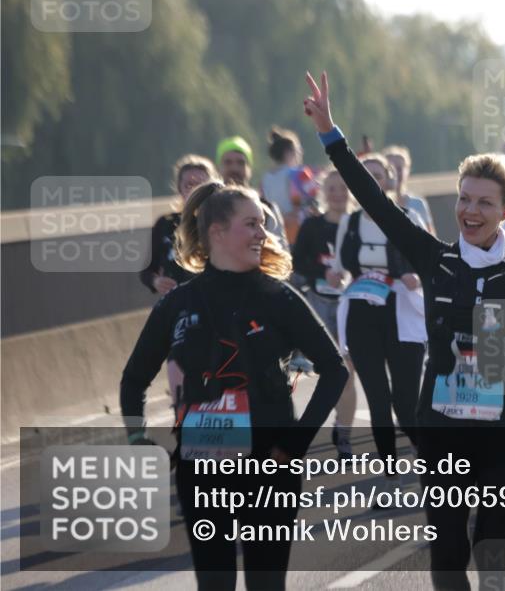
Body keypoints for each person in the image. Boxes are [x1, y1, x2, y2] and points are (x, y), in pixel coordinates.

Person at [304, 70, 505, 591]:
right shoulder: (434, 256)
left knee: (492, 557)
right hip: (443, 425)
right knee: (448, 554)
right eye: (465, 199)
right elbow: (375, 201)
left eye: (484, 202)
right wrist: (330, 133)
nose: (471, 210)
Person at [120, 181, 349, 591]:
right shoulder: (177, 304)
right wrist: (138, 437)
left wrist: (296, 444)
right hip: (202, 470)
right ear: (217, 233)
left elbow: (335, 370)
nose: (264, 234)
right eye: (252, 224)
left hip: (271, 465)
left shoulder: (279, 297)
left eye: (263, 224)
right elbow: (134, 378)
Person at [331, 151, 427, 486]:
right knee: (376, 396)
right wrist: (334, 276)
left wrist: (415, 275)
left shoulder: (407, 216)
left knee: (406, 398)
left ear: (388, 180)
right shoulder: (350, 222)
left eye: (377, 175)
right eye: (365, 174)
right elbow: (338, 268)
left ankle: (426, 454)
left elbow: (425, 259)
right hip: (361, 312)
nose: (371, 180)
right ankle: (389, 468)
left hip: (400, 311)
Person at [292, 167, 359, 456]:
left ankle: (344, 435)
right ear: (322, 192)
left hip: (353, 306)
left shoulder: (360, 225)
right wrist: (323, 272)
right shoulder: (312, 227)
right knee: (329, 371)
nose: (338, 193)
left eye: (343, 187)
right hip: (319, 304)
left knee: (347, 372)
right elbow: (297, 263)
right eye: (331, 188)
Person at [140, 155, 216, 296]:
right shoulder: (165, 224)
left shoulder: (220, 225)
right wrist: (156, 281)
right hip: (176, 304)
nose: (194, 191)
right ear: (179, 189)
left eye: (201, 186)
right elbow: (147, 270)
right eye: (189, 185)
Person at [216, 135, 288, 249]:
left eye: (241, 163)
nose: (234, 168)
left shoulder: (267, 209)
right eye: (228, 162)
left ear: (249, 168)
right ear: (219, 167)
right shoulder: (209, 206)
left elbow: (281, 252)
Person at [261, 127, 317, 245]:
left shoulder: (266, 179)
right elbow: (314, 202)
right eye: (298, 150)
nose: (301, 153)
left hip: (275, 233)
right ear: (289, 152)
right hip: (300, 233)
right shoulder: (300, 174)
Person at [383, 144, 436, 234]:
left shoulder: (418, 204)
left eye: (399, 168)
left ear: (407, 170)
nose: (395, 173)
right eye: (391, 169)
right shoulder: (379, 203)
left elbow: (431, 237)